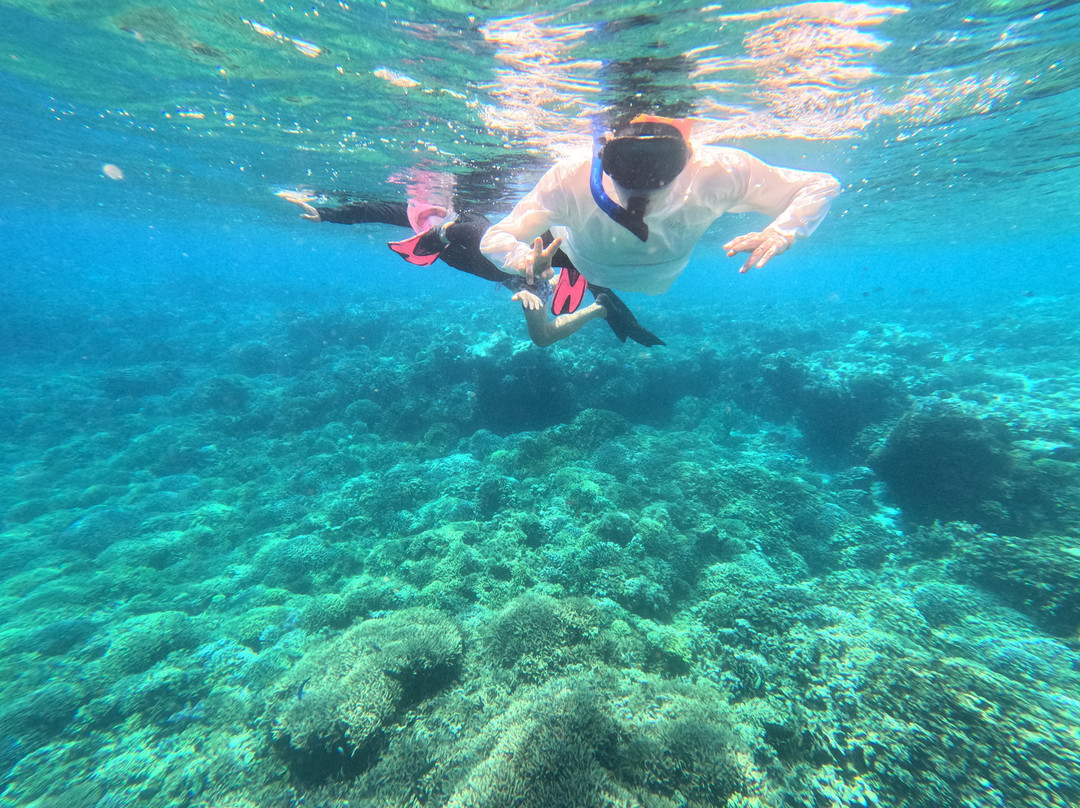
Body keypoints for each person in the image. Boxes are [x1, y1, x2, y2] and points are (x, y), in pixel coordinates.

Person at [479, 114, 841, 342]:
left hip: (643, 275)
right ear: (603, 157)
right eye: (627, 167)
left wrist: (782, 232)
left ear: (689, 156)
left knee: (552, 239)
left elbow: (821, 184)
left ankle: (565, 269)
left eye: (660, 168)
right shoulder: (568, 177)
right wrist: (524, 259)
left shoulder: (719, 169)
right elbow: (495, 239)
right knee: (548, 239)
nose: (641, 192)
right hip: (606, 265)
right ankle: (564, 267)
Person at [280, 191, 663, 347]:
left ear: (451, 208)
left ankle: (609, 308)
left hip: (527, 263)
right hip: (515, 275)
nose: (426, 219)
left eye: (439, 213)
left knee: (580, 277)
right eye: (420, 216)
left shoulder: (470, 225)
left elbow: (490, 243)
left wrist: (536, 267)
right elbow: (372, 210)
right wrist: (326, 214)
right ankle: (603, 308)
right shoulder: (420, 222)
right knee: (542, 339)